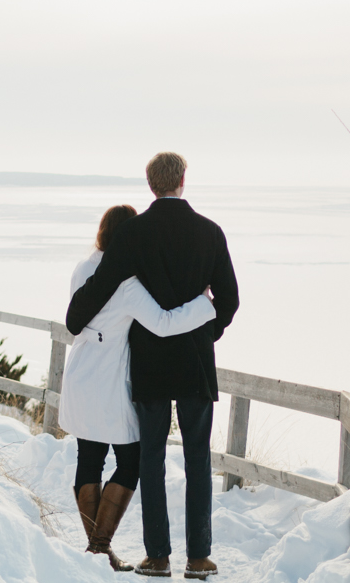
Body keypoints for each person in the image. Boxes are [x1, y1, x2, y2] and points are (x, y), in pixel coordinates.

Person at [67, 152, 238, 580]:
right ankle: (198, 558)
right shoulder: (211, 233)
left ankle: (158, 556)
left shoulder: (133, 234)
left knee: (151, 461)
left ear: (150, 184)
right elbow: (229, 300)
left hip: (150, 365)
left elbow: (104, 285)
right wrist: (205, 333)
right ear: (183, 180)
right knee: (198, 458)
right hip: (196, 362)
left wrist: (76, 316)